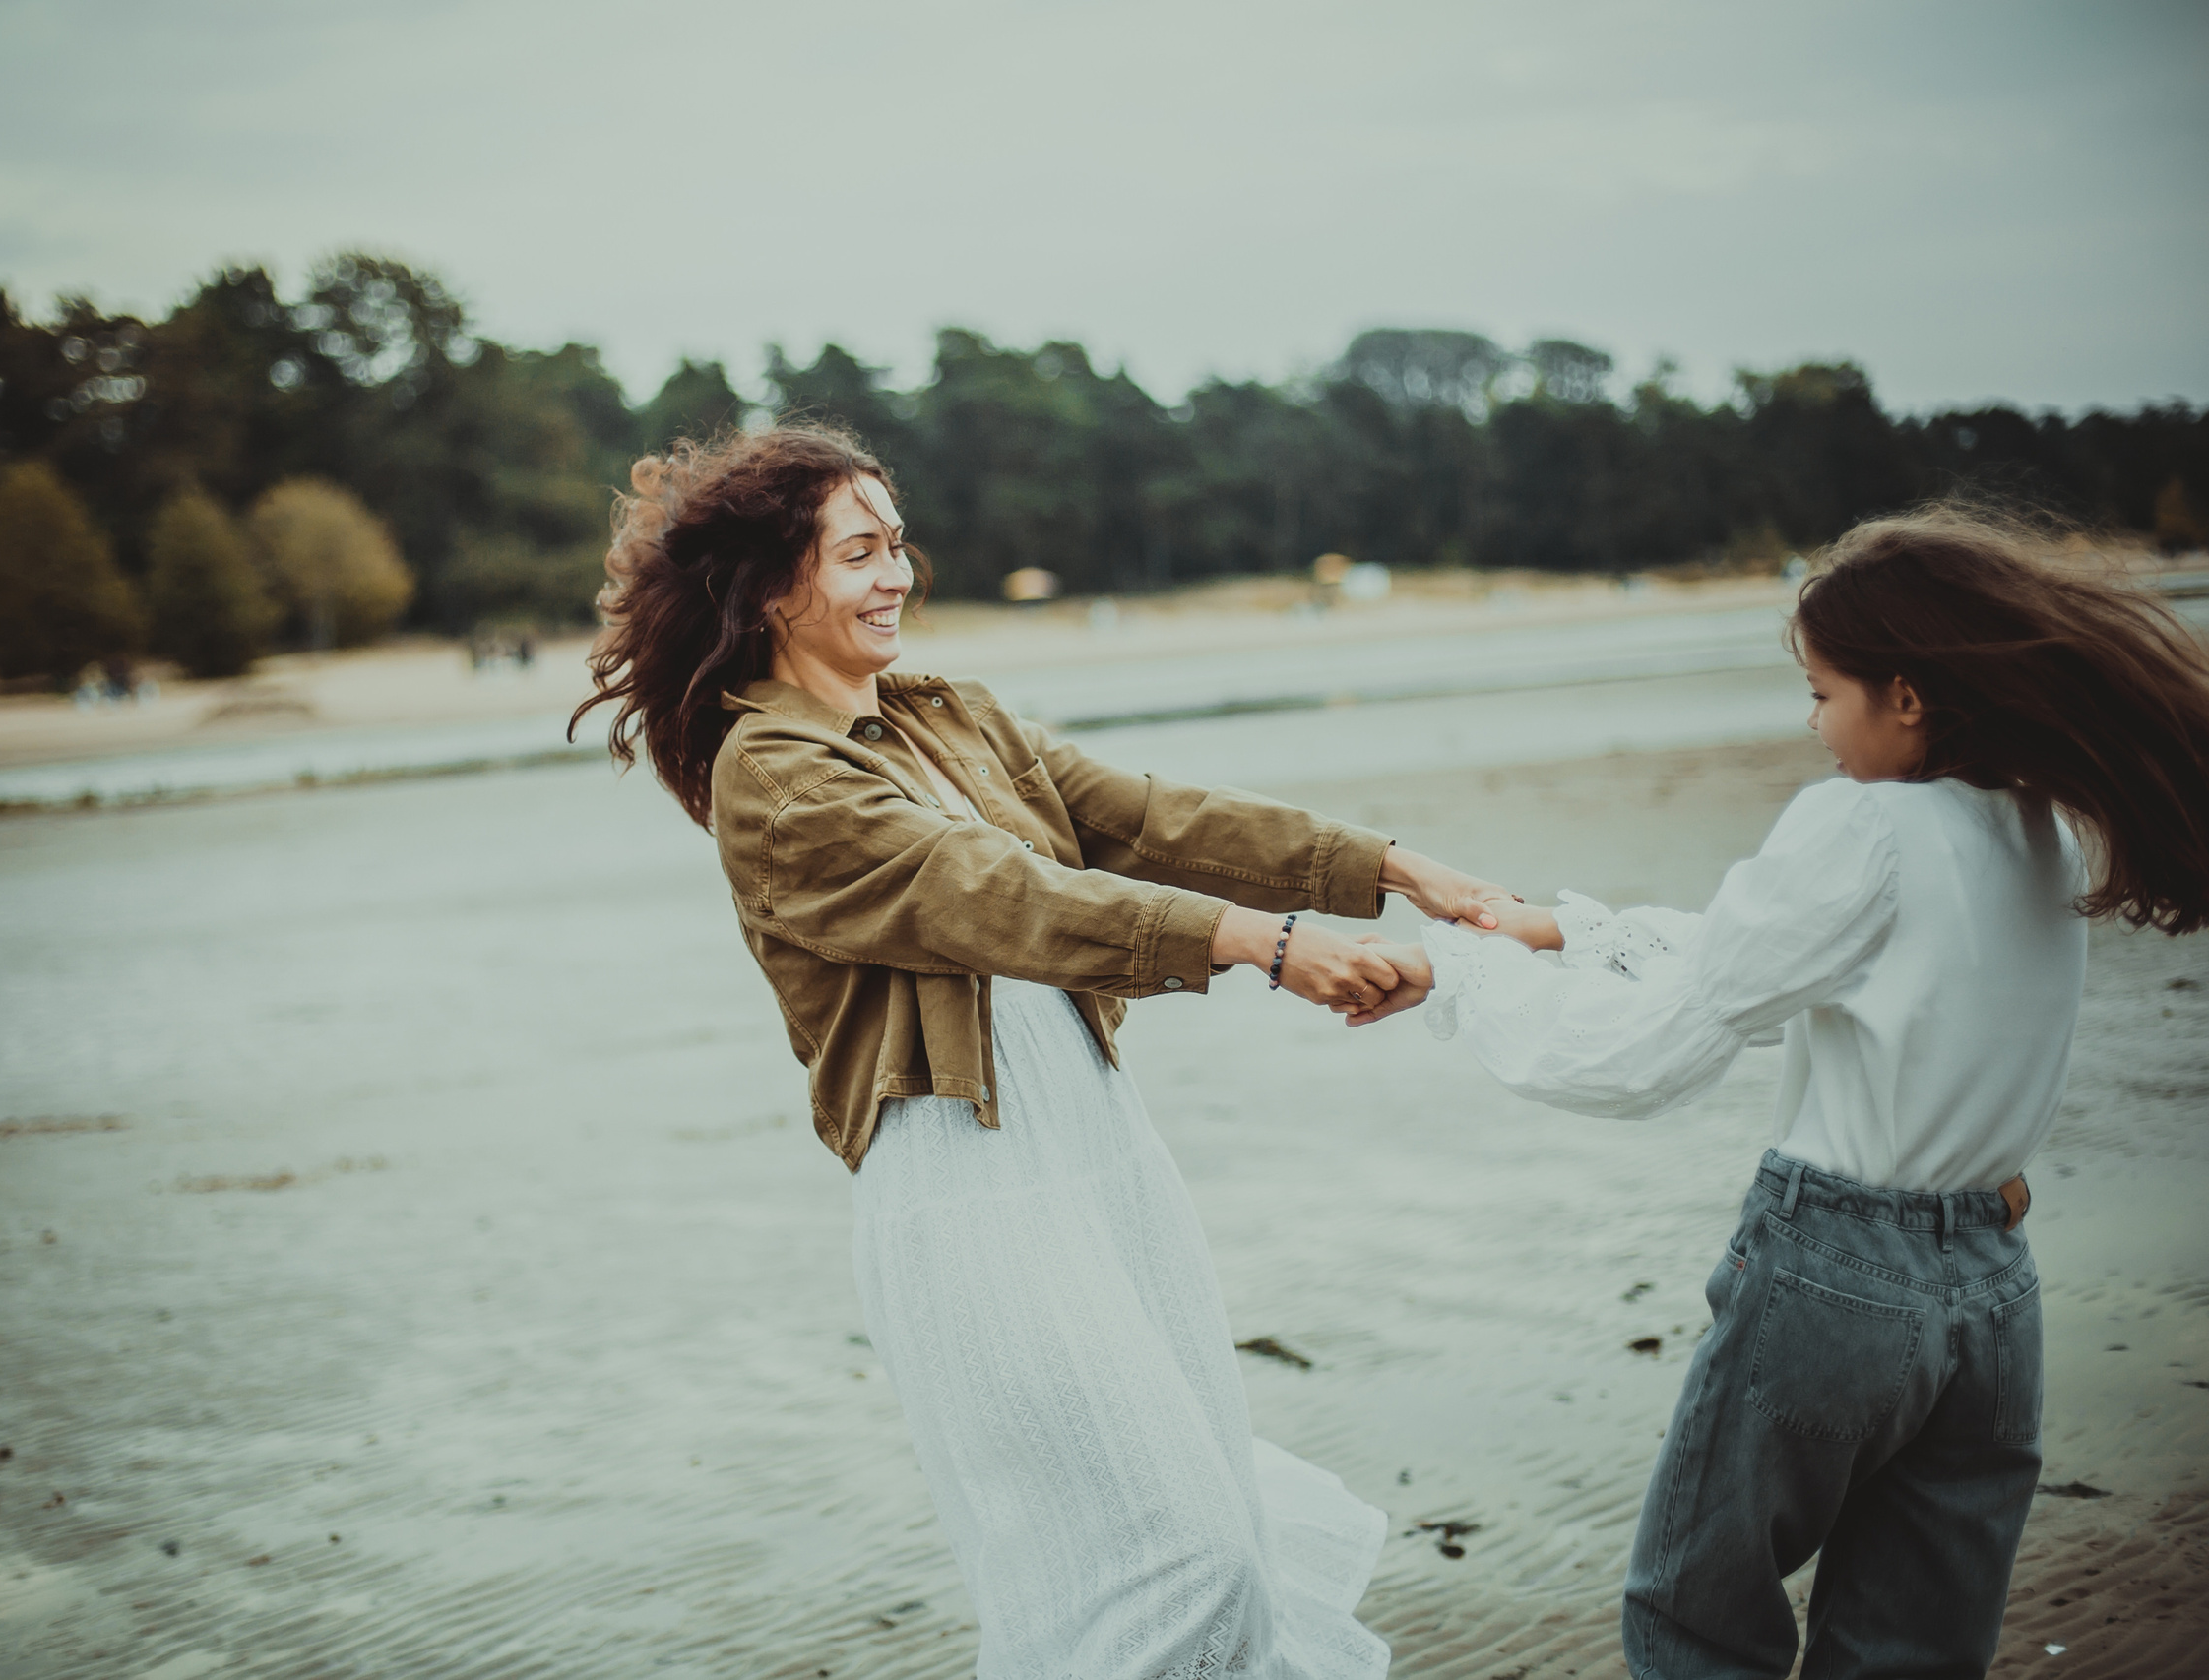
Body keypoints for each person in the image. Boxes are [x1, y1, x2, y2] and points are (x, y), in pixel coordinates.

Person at [572, 423, 1516, 1678]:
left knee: (1220, 1528)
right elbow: (998, 896)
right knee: (1181, 1560)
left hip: (1102, 1155)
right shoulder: (777, 779)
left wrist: (1390, 866)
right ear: (769, 591)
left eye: (897, 543)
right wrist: (1263, 946)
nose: (896, 574)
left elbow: (1149, 820)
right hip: (967, 1187)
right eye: (857, 553)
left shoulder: (948, 716)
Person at [1349, 506, 2209, 1678]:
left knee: (1695, 1623)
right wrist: (1551, 931)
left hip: (1834, 1281)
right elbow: (1772, 966)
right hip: (1993, 1291)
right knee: (1913, 1647)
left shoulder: (1862, 822)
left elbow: (1642, 1054)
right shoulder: (2036, 826)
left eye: (1820, 692)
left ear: (1905, 695)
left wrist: (1462, 971)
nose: (1811, 724)